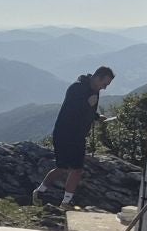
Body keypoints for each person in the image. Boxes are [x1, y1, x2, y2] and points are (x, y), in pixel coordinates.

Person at [34, 66, 115, 209]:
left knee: (70, 168)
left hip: (77, 135)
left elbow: (88, 110)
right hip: (65, 134)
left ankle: (47, 194)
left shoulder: (94, 90)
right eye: (105, 84)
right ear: (97, 77)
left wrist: (96, 116)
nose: (105, 88)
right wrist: (87, 105)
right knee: (66, 168)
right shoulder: (76, 88)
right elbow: (72, 110)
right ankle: (61, 200)